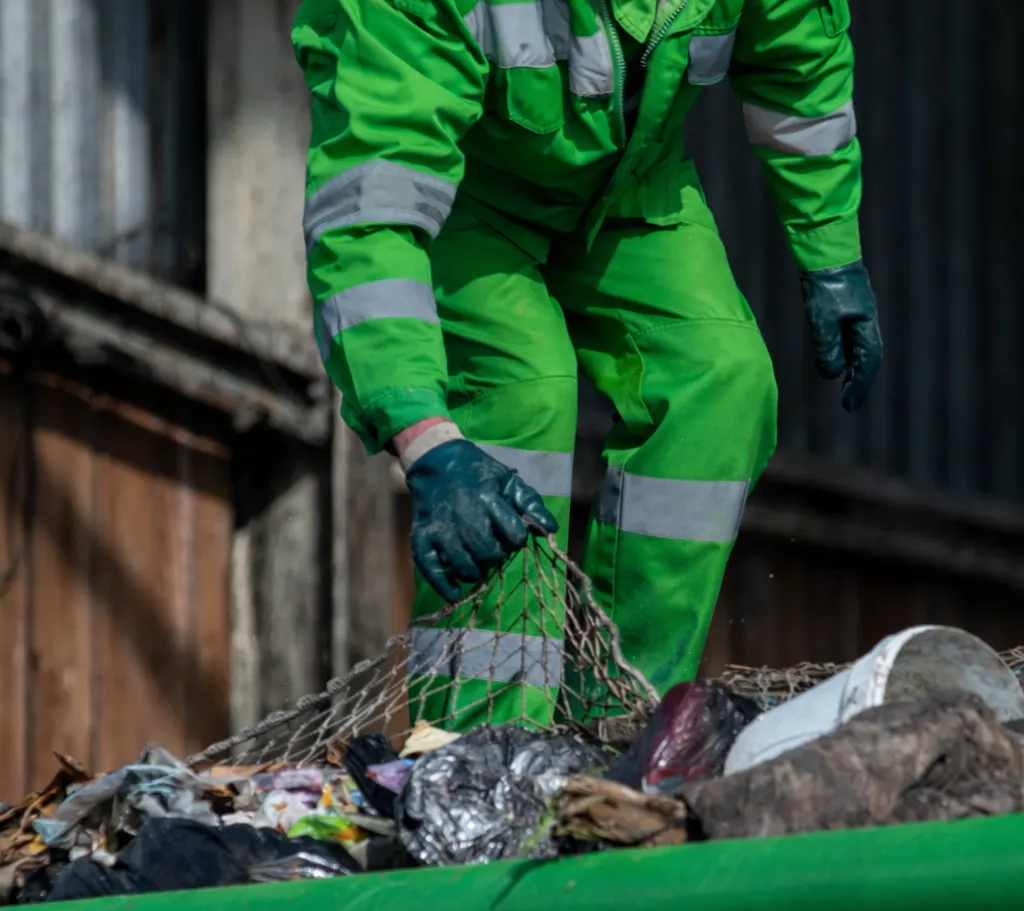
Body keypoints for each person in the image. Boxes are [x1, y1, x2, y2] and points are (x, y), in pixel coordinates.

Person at [294, 0, 882, 725]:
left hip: (632, 180)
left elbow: (797, 63)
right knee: (521, 397)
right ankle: (479, 752)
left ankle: (622, 719)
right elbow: (369, 209)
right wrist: (425, 438)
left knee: (723, 379)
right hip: (467, 193)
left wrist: (832, 253)